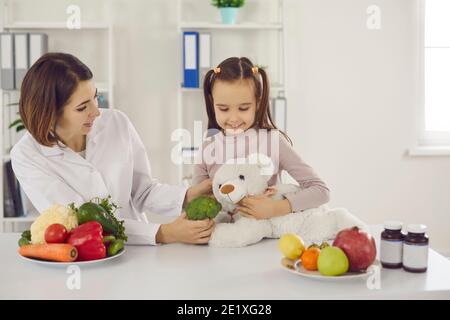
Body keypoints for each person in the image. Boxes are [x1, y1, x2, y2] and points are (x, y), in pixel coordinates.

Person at [11, 52, 214, 245]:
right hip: (88, 255)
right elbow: (80, 221)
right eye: (82, 107)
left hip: (141, 253)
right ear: (50, 113)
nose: (96, 112)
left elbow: (143, 191)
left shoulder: (116, 122)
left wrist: (187, 196)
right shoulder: (27, 156)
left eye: (95, 97)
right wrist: (163, 233)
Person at [193, 57, 330, 219]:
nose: (234, 118)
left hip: (269, 239)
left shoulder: (273, 141)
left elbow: (321, 191)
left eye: (243, 108)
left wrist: (276, 208)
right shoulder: (208, 147)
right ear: (212, 102)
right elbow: (196, 202)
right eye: (223, 109)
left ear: (258, 103)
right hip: (224, 239)